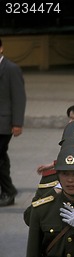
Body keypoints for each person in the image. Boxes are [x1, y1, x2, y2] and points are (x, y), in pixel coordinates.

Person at [0, 38, 26, 207]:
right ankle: (8, 191)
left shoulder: (11, 68)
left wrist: (17, 123)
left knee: (0, 156)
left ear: (1, 48)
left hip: (4, 122)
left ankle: (8, 192)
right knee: (1, 157)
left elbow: (18, 97)